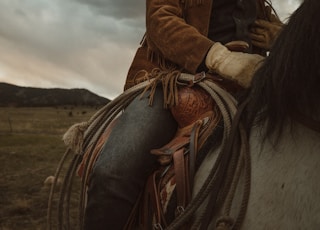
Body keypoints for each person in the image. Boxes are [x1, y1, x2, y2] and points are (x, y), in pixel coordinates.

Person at [83, 0, 282, 229]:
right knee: (113, 172)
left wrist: (283, 39)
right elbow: (160, 20)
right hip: (173, 81)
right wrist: (220, 58)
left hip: (250, 85)